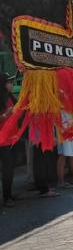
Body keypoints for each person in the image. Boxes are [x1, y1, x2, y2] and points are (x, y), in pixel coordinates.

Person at [0, 73, 17, 207]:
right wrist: (6, 113)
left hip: (12, 138)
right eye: (9, 82)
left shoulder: (9, 96)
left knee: (10, 168)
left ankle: (9, 194)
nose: (11, 84)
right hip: (3, 140)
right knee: (7, 169)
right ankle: (7, 197)